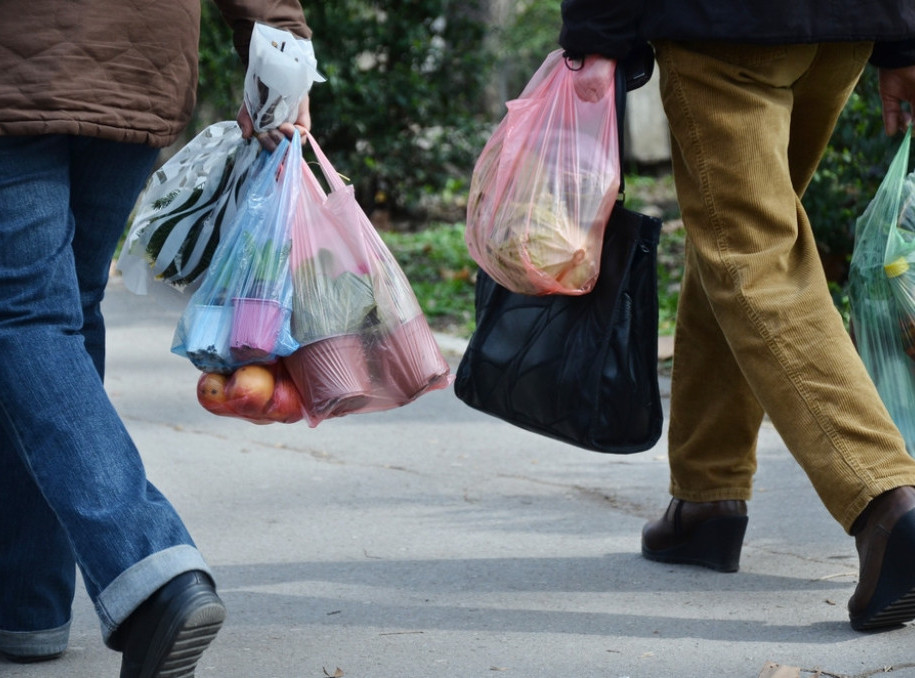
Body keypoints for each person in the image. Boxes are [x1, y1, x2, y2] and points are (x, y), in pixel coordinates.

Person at [559, 1, 915, 631]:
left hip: (724, 28)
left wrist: (596, 34)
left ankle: (886, 501)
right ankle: (707, 498)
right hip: (844, 28)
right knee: (731, 239)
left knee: (753, 257)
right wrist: (902, 37)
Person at [0, 2, 314, 675]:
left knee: (25, 317)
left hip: (15, 58)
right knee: (62, 316)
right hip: (137, 57)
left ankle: (149, 572)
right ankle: (27, 605)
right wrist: (281, 43)